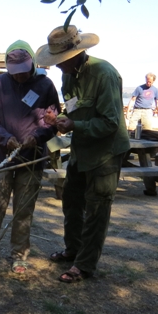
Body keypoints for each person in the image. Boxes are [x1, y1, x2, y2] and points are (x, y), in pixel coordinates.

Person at [34, 25, 130, 283]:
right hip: (81, 150)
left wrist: (75, 125)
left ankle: (85, 266)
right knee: (72, 201)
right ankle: (73, 249)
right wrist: (61, 118)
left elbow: (110, 123)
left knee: (97, 209)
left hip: (106, 153)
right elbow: (75, 110)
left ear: (77, 54)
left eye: (60, 62)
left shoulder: (104, 74)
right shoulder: (68, 76)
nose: (57, 67)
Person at [0, 40, 60, 274]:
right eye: (15, 73)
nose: (19, 77)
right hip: (1, 157)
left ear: (32, 64)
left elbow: (53, 123)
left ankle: (19, 256)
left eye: (23, 72)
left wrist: (37, 137)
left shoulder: (45, 85)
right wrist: (5, 138)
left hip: (32, 158)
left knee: (23, 210)